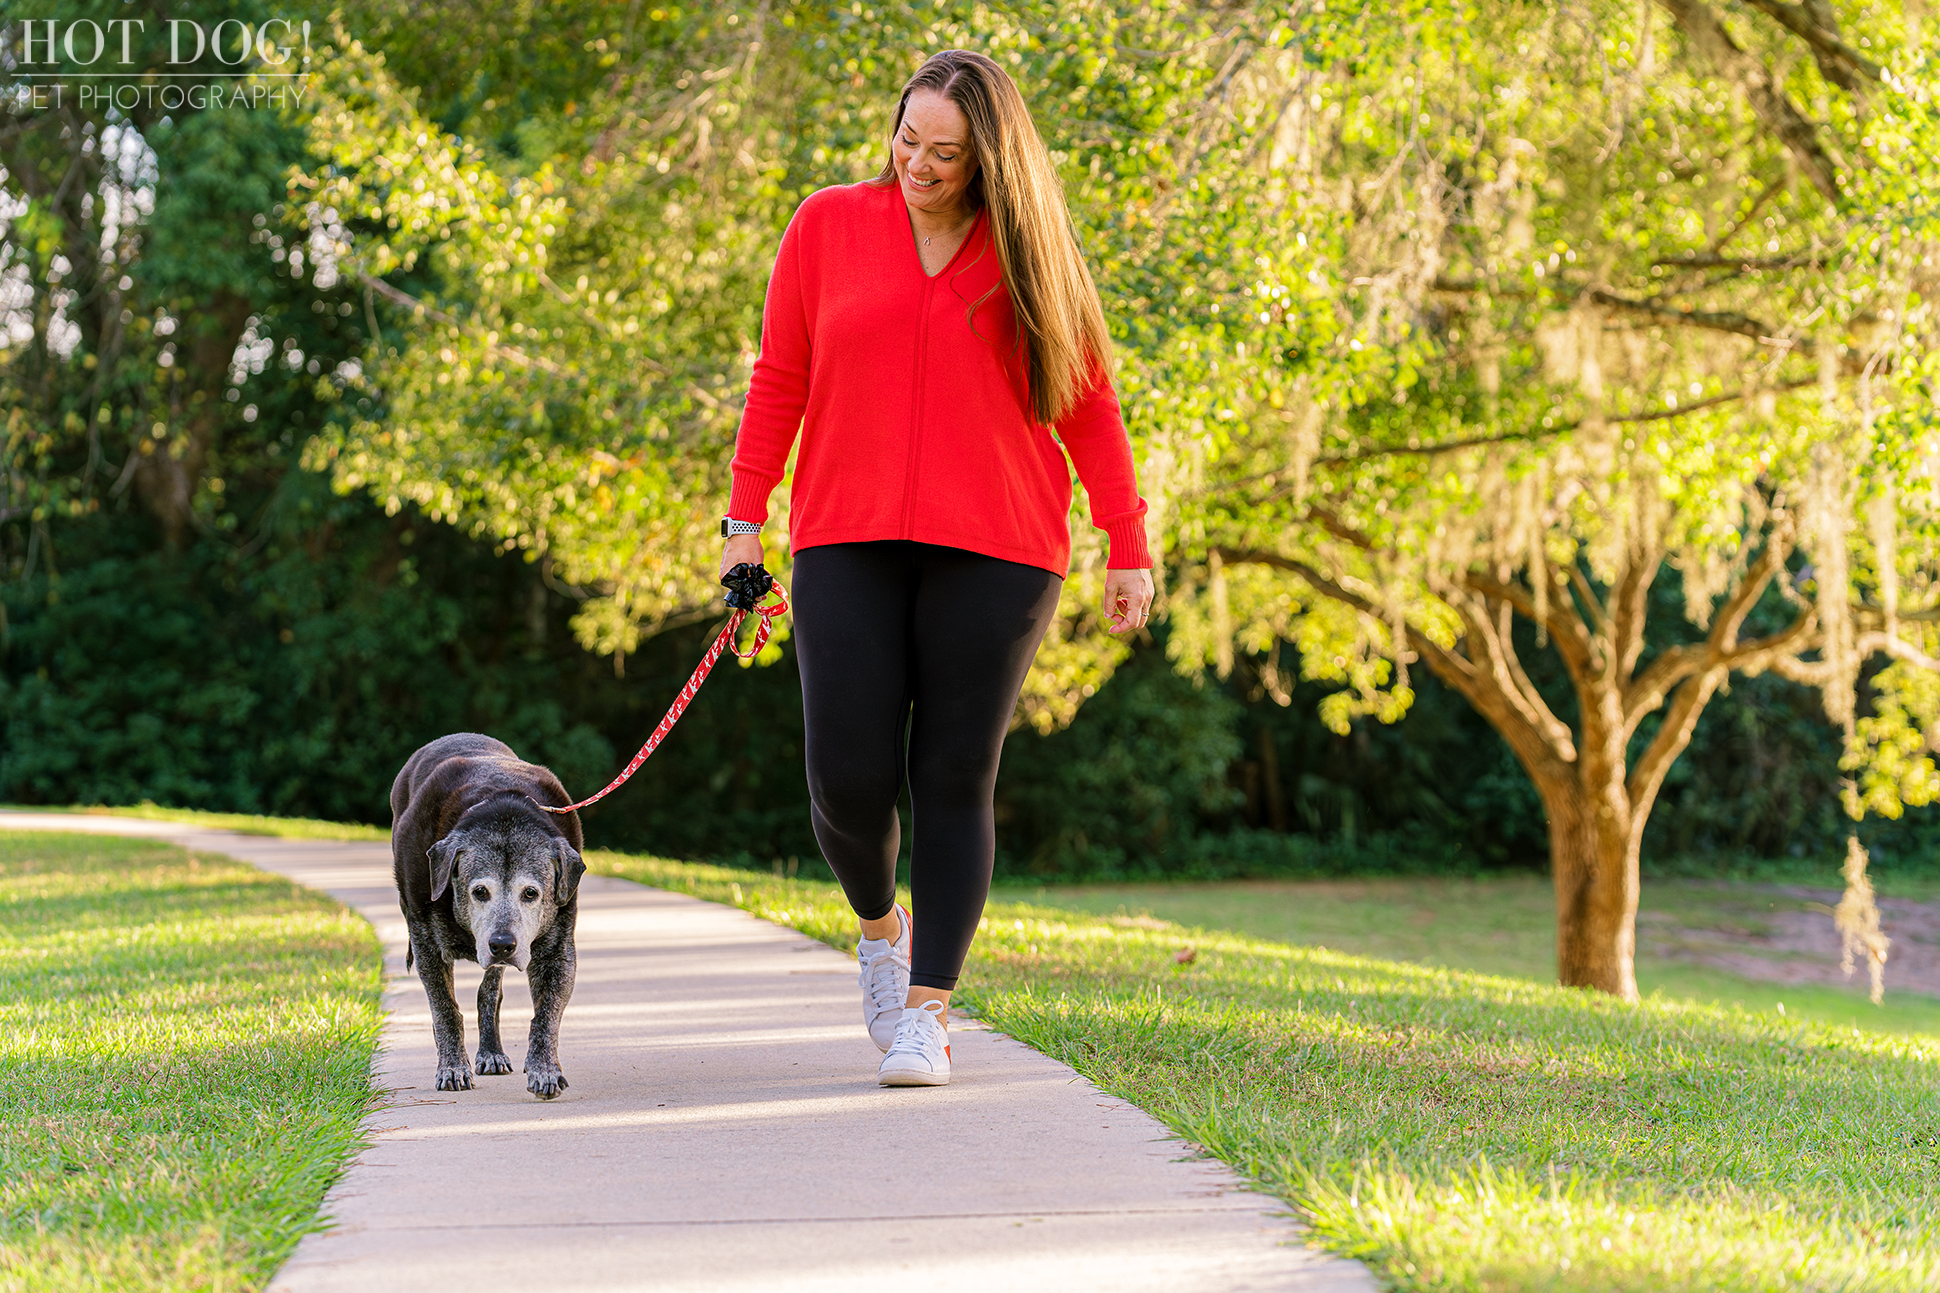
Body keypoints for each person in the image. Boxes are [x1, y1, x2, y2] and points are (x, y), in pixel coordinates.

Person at [719, 48, 1155, 1087]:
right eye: (907, 139)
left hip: (999, 545)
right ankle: (880, 929)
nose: (917, 163)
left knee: (954, 773)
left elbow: (1088, 403)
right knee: (846, 777)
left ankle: (927, 1012)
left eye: (944, 153)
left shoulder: (1031, 256)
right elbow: (780, 375)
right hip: (844, 533)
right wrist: (744, 519)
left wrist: (1124, 541)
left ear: (988, 161)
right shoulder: (825, 227)